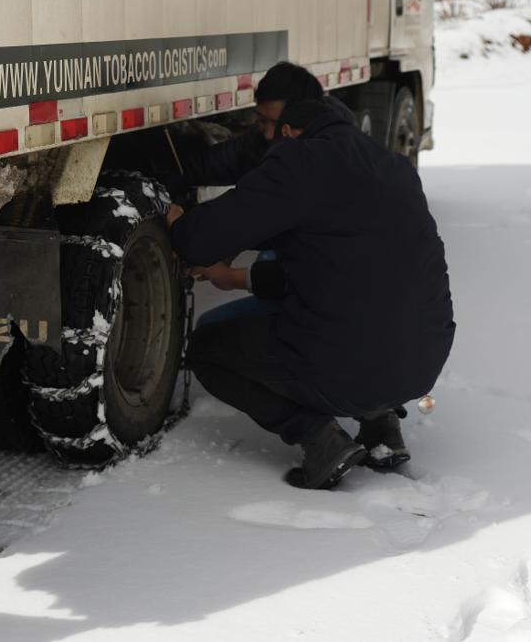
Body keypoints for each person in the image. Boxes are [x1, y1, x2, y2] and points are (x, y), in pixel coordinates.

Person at [166, 71, 454, 489]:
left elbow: (200, 240)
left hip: (348, 362)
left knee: (209, 348)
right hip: (423, 360)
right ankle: (381, 430)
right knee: (366, 312)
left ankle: (319, 439)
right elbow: (337, 267)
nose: (262, 136)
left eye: (266, 126)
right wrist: (236, 277)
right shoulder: (389, 164)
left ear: (289, 130)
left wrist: (181, 227)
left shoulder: (300, 160)